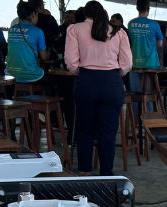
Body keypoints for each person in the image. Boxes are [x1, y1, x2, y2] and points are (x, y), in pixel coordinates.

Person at [65, 0, 131, 175]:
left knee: (84, 129)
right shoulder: (119, 32)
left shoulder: (74, 29)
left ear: (85, 14)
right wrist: (113, 74)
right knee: (108, 132)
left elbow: (71, 62)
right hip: (112, 83)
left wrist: (83, 71)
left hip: (86, 82)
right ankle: (106, 173)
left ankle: (84, 171)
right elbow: (127, 64)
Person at [6, 1, 48, 84]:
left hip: (10, 73)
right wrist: (48, 54)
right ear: (33, 14)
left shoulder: (11, 30)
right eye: (37, 14)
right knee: (51, 78)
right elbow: (43, 57)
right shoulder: (38, 31)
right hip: (31, 75)